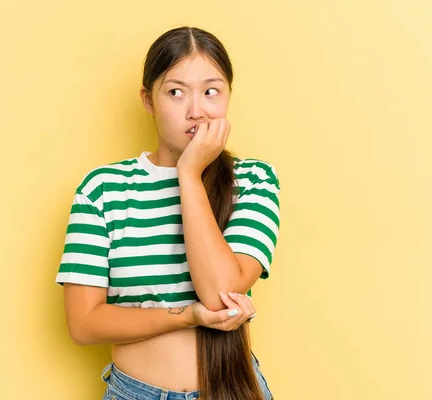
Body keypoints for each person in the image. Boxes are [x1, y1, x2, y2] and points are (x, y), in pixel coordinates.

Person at [56, 26, 280, 400]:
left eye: (211, 92)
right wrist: (187, 316)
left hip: (231, 389)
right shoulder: (103, 188)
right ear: (148, 100)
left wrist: (189, 175)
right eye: (176, 92)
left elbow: (219, 293)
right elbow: (84, 324)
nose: (196, 111)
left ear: (228, 97)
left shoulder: (254, 179)